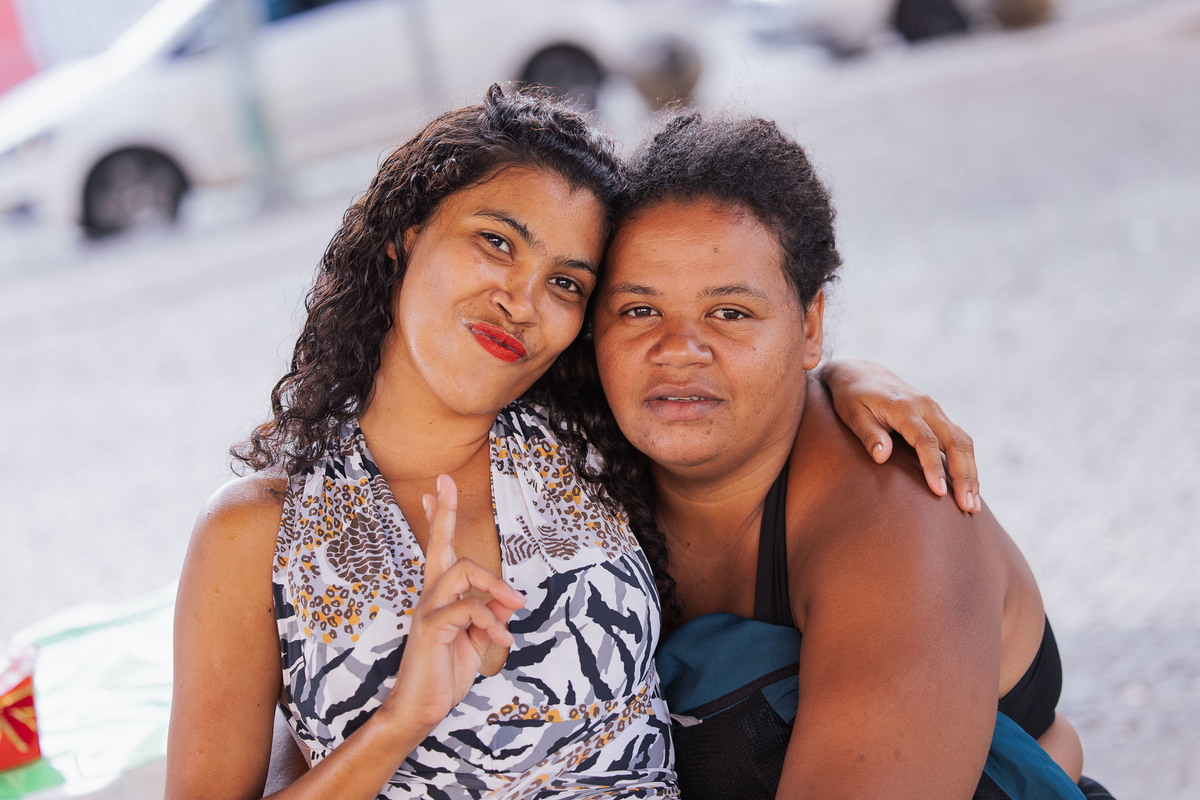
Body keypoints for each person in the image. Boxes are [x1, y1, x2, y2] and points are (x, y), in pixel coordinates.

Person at [166, 87, 981, 800]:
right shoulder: (256, 536)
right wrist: (395, 725)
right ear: (405, 236)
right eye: (495, 241)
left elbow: (731, 386)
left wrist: (844, 375)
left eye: (565, 283)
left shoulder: (587, 449)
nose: (520, 299)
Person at [565, 111, 1115, 800]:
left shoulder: (899, 522)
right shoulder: (566, 473)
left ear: (810, 325)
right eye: (640, 310)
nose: (679, 349)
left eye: (730, 313)